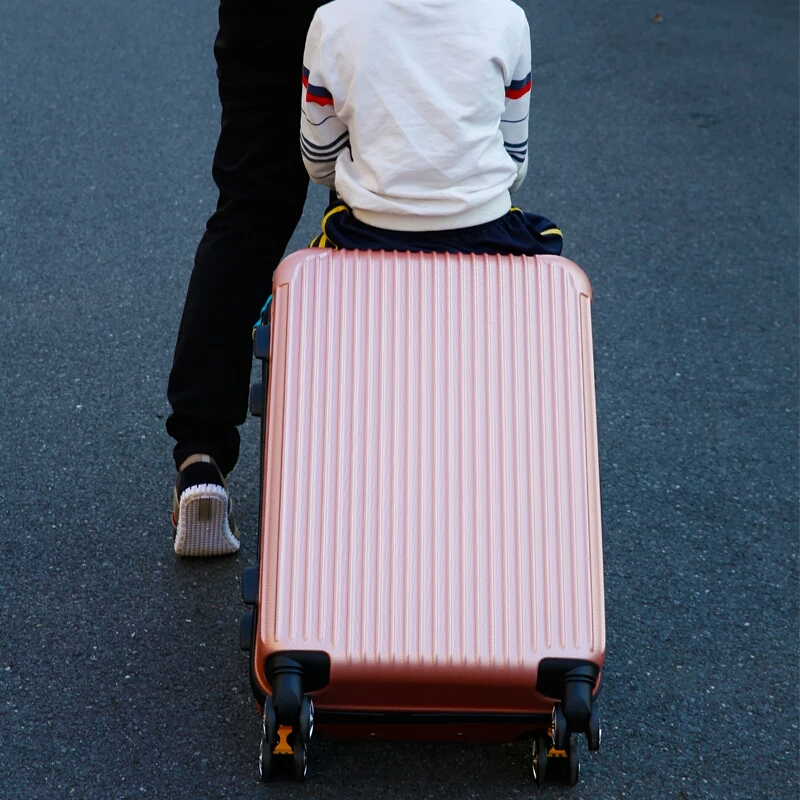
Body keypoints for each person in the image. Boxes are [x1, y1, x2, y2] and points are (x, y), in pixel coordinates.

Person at [167, 1, 324, 557]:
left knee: (249, 212)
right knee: (374, 210)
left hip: (267, 15)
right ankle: (370, 458)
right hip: (377, 18)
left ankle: (201, 459)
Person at [300, 0, 563, 257]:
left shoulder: (333, 19)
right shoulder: (507, 16)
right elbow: (515, 160)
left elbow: (320, 162)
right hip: (488, 232)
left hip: (367, 232)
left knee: (315, 284)